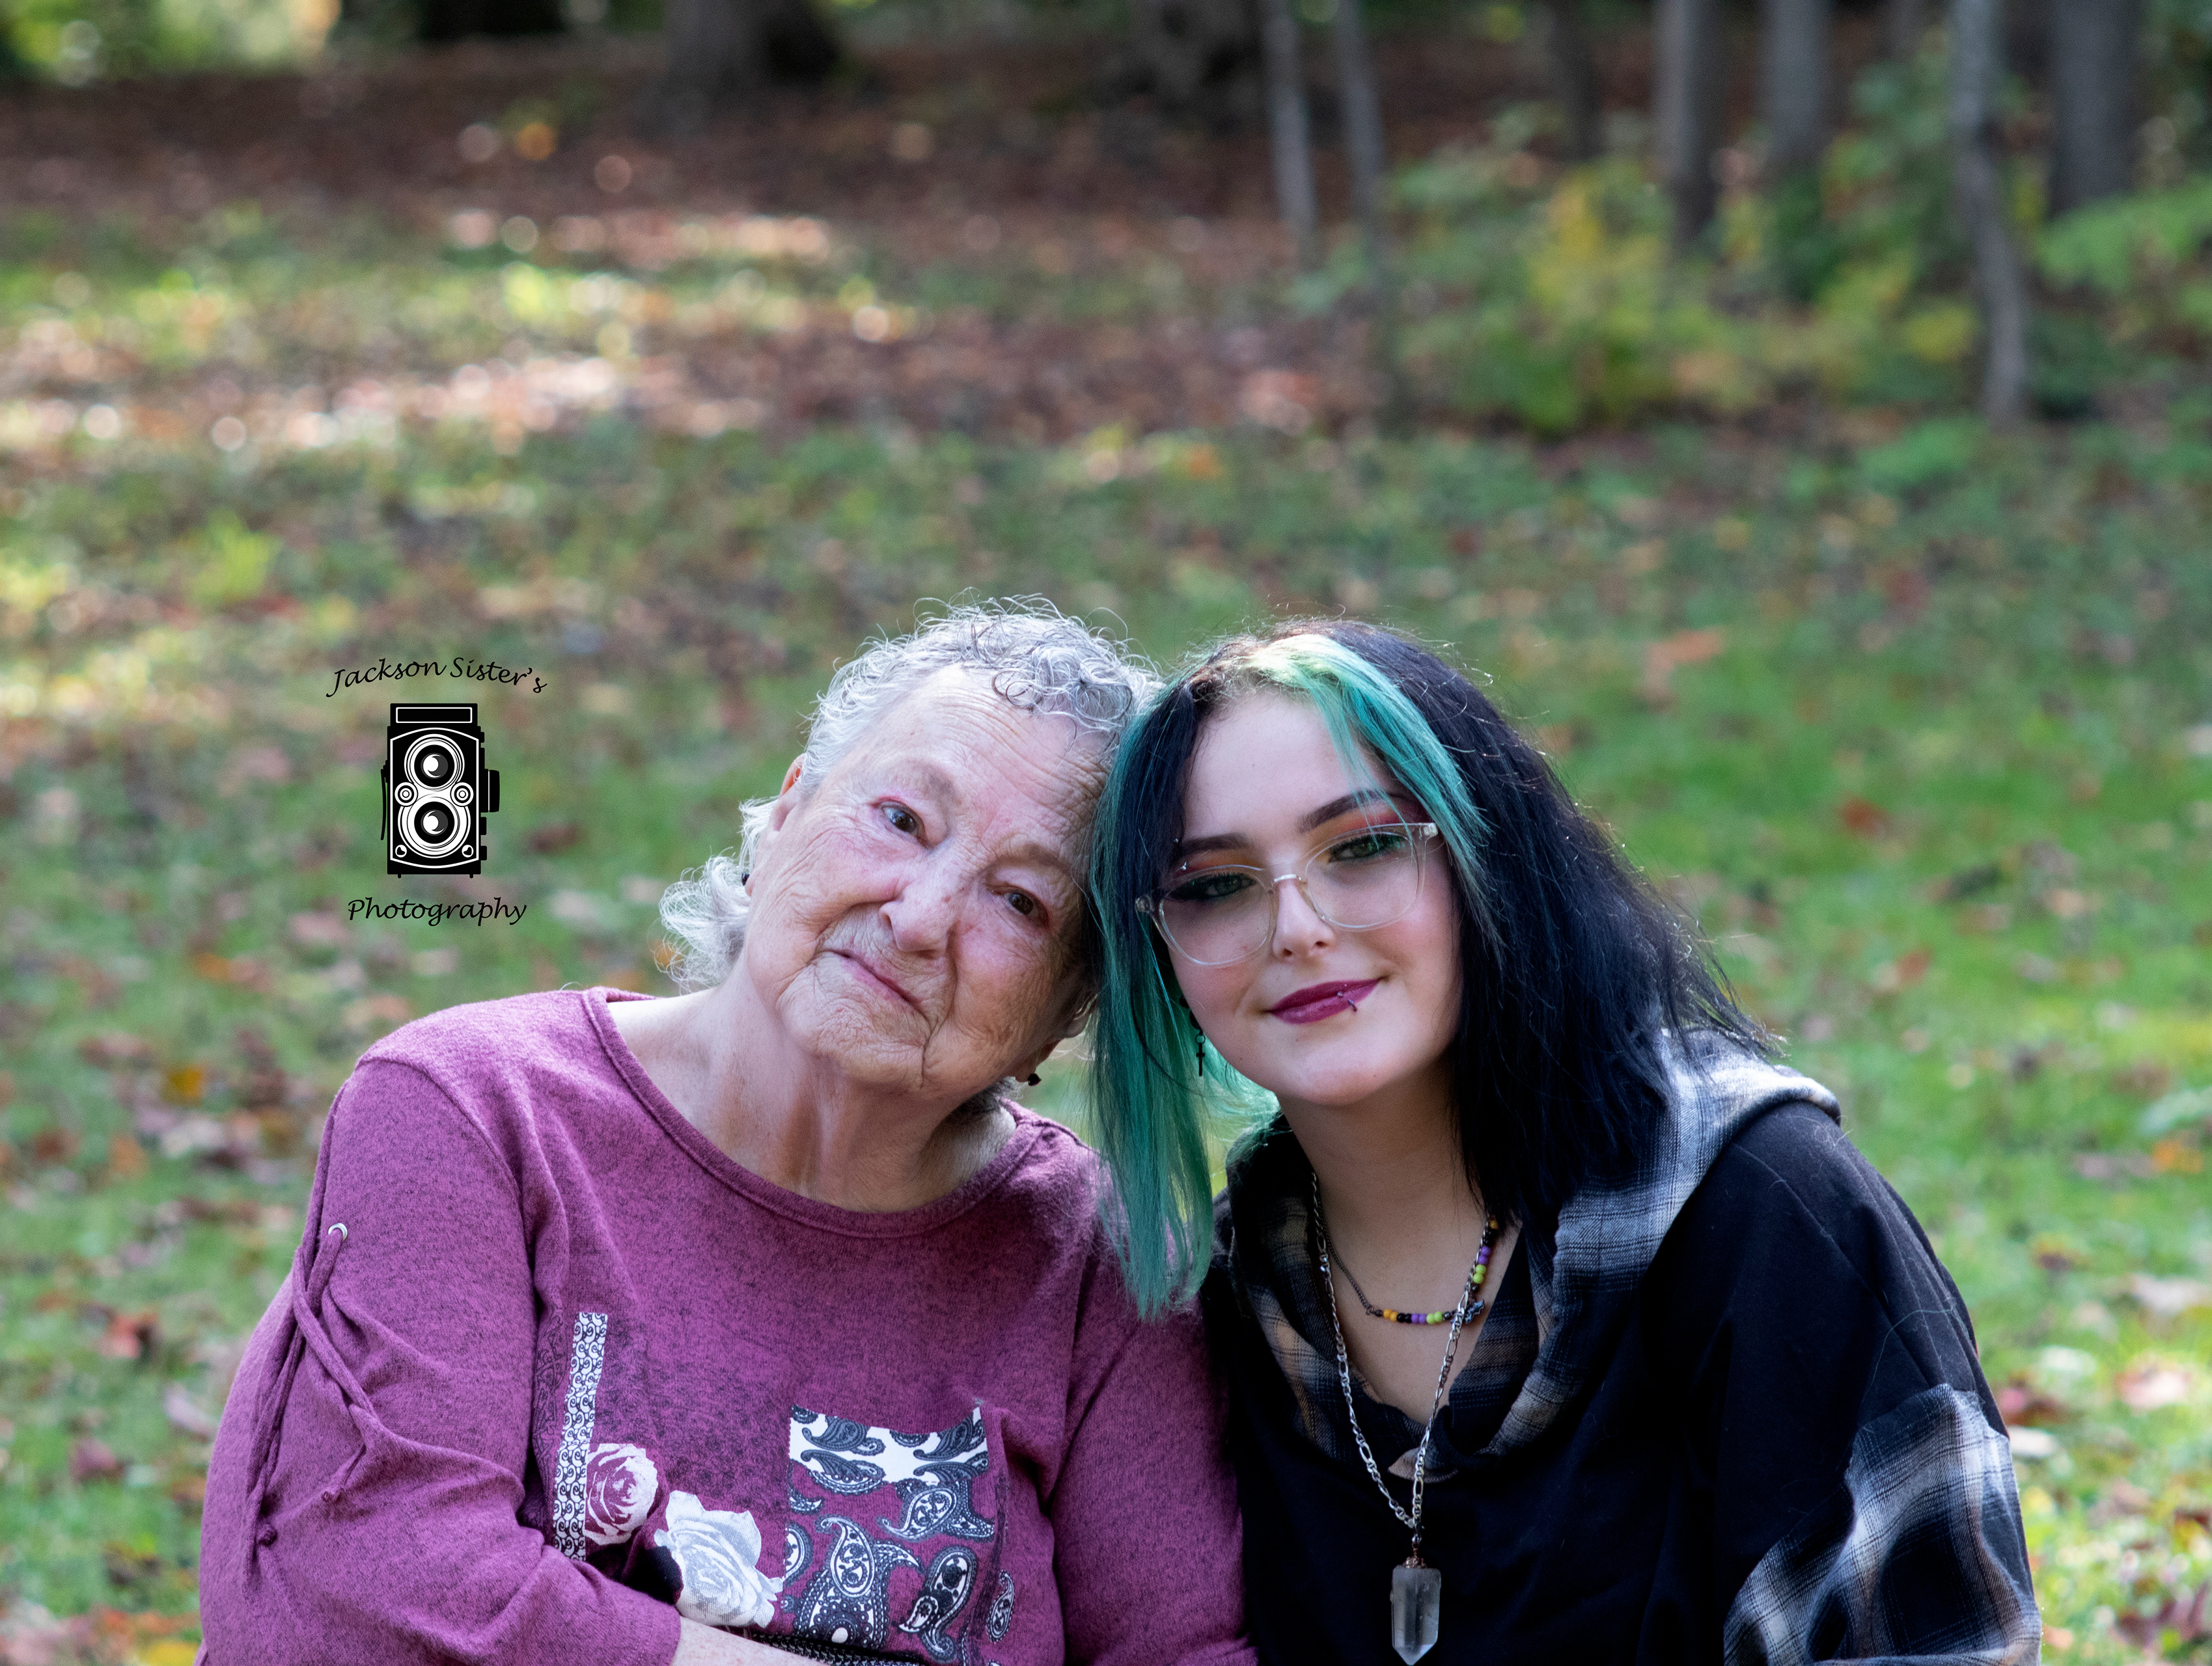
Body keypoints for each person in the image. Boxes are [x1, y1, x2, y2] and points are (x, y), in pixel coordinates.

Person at [197, 601, 1254, 1666]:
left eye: (1022, 902)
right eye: (900, 819)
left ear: (1068, 1009)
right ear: (785, 815)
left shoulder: (1101, 1269)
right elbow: (375, 1581)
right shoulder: (476, 1111)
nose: (921, 917)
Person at [1084, 620, 2041, 1666]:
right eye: (1214, 886)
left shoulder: (1759, 1211)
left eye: (1362, 846)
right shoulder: (1216, 1304)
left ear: (1487, 852)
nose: (1297, 927)